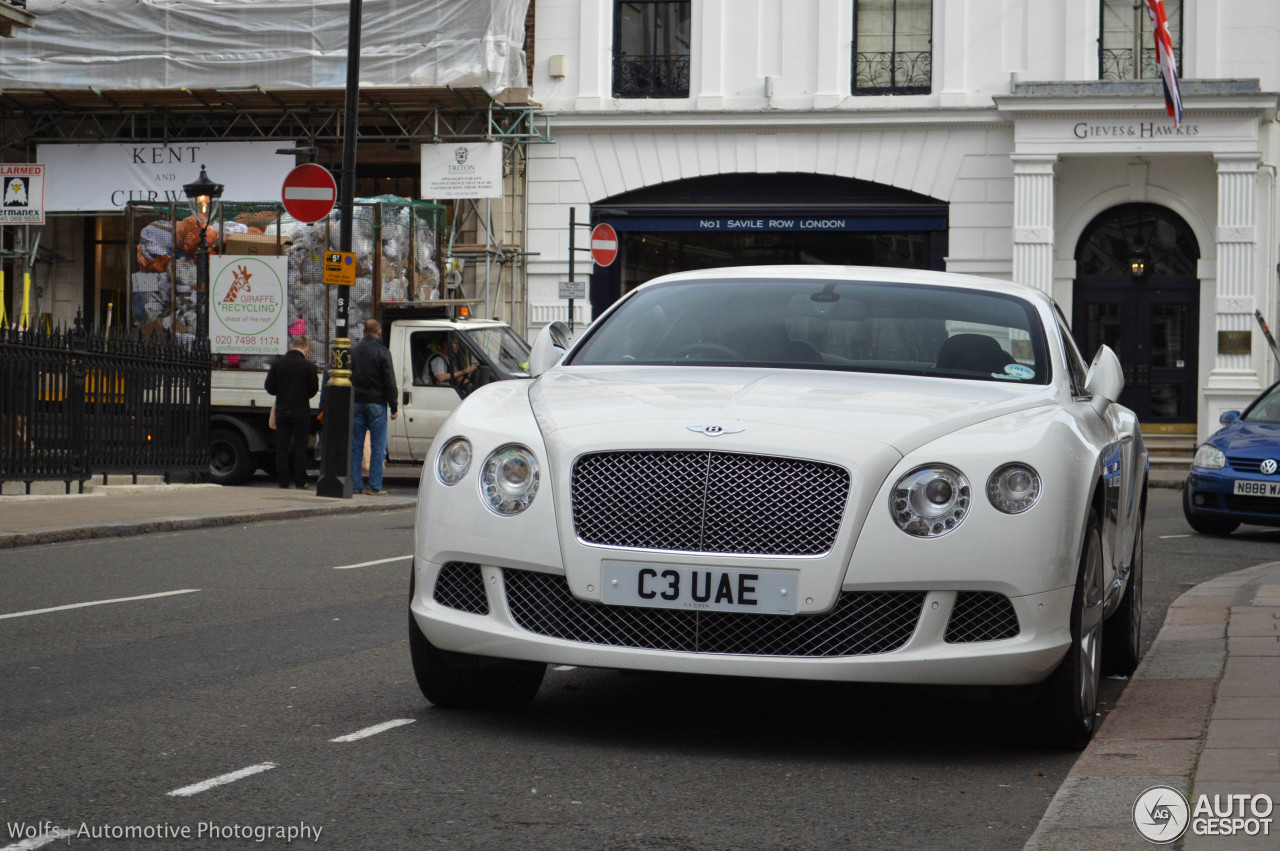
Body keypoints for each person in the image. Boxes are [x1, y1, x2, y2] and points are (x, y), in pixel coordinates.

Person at [264, 334, 319, 489]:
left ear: (291, 346)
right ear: (306, 349)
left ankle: (283, 482)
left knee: (281, 448)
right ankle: (301, 482)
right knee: (300, 448)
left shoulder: (278, 365)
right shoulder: (309, 367)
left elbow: (269, 388)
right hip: (301, 412)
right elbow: (313, 390)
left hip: (282, 411)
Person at [350, 318, 398, 496]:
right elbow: (389, 381)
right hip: (377, 402)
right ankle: (374, 486)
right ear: (379, 333)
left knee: (356, 446)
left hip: (356, 402)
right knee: (378, 447)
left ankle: (355, 485)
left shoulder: (353, 351)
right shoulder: (383, 352)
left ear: (363, 332)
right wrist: (394, 406)